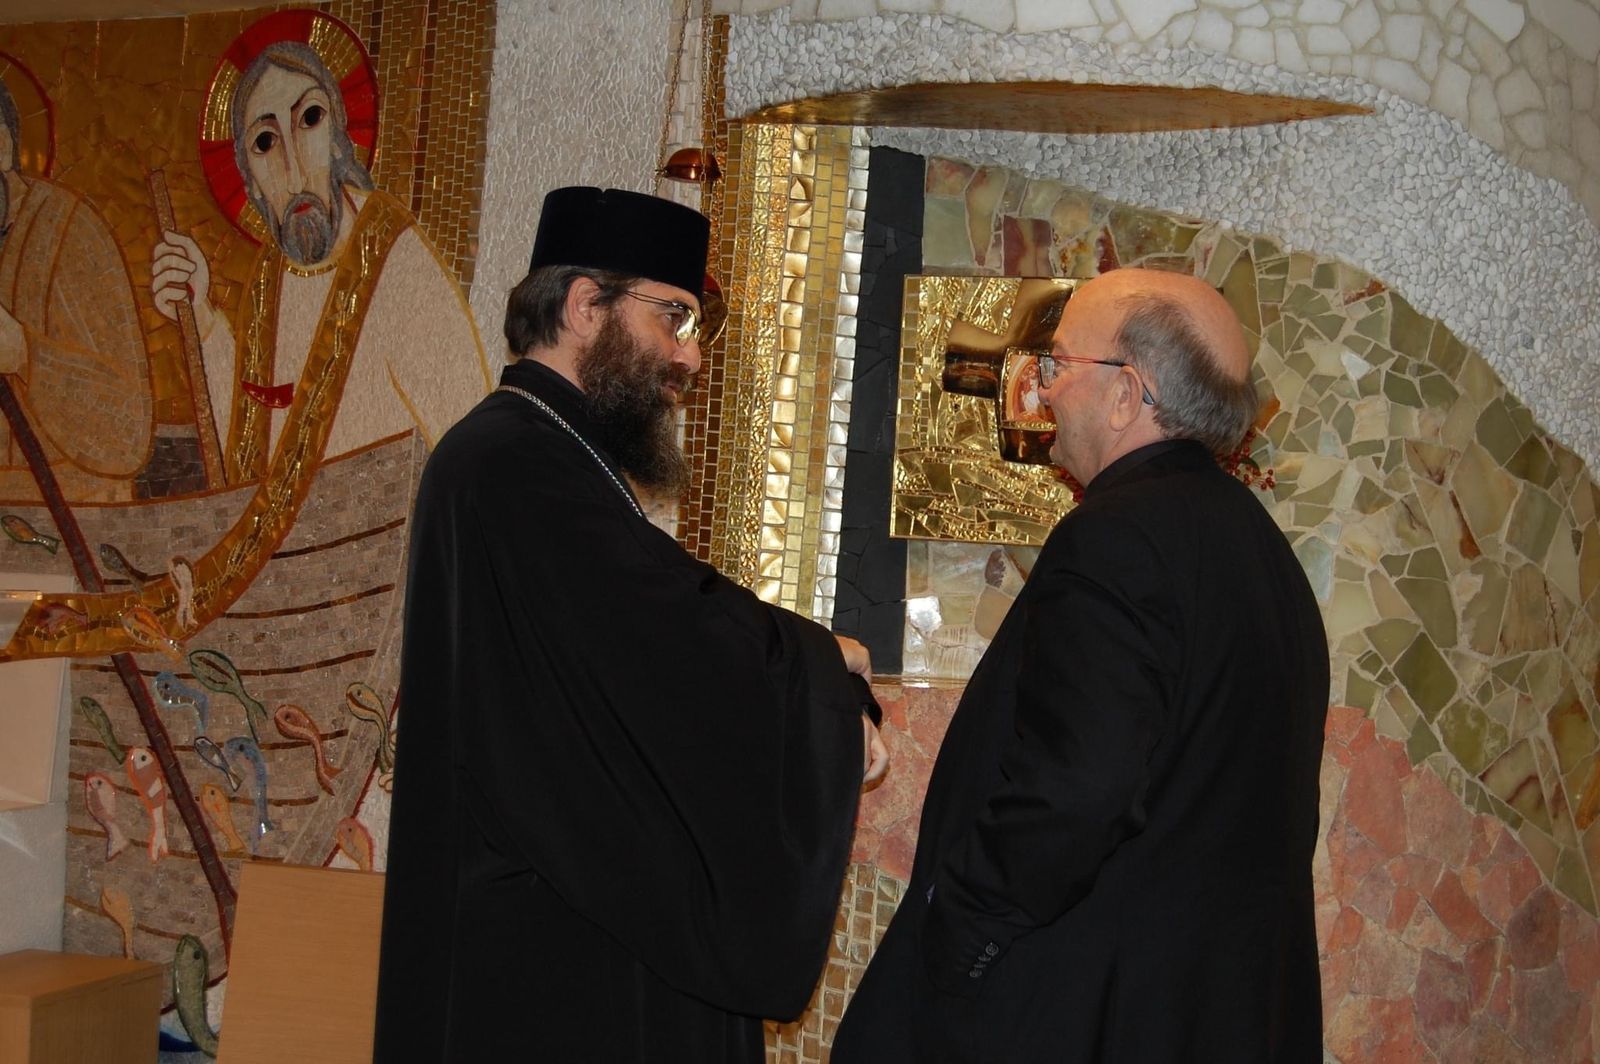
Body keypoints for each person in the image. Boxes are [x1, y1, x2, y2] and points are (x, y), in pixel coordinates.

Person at [374, 186, 888, 1062]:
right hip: (548, 961)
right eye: (673, 319)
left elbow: (635, 624)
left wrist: (800, 662)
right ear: (584, 306)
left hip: (551, 928)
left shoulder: (532, 452)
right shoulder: (513, 462)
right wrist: (813, 670)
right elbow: (655, 639)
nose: (688, 357)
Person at [833, 268, 1329, 1063]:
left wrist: (959, 932)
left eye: (1058, 364)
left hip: (1078, 1012)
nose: (1042, 389)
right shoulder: (1268, 559)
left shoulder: (1120, 536)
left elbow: (1077, 790)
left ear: (1128, 395)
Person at [150, 40, 489, 482]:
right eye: (265, 142)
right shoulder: (270, 277)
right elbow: (252, 435)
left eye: (309, 119)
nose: (293, 167)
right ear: (250, 182)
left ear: (336, 140)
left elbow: (469, 439)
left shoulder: (394, 256)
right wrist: (203, 317)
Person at [0, 79, 154, 503]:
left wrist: (25, 354)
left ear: (5, 145)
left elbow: (128, 437)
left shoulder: (71, 233)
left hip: (73, 513)